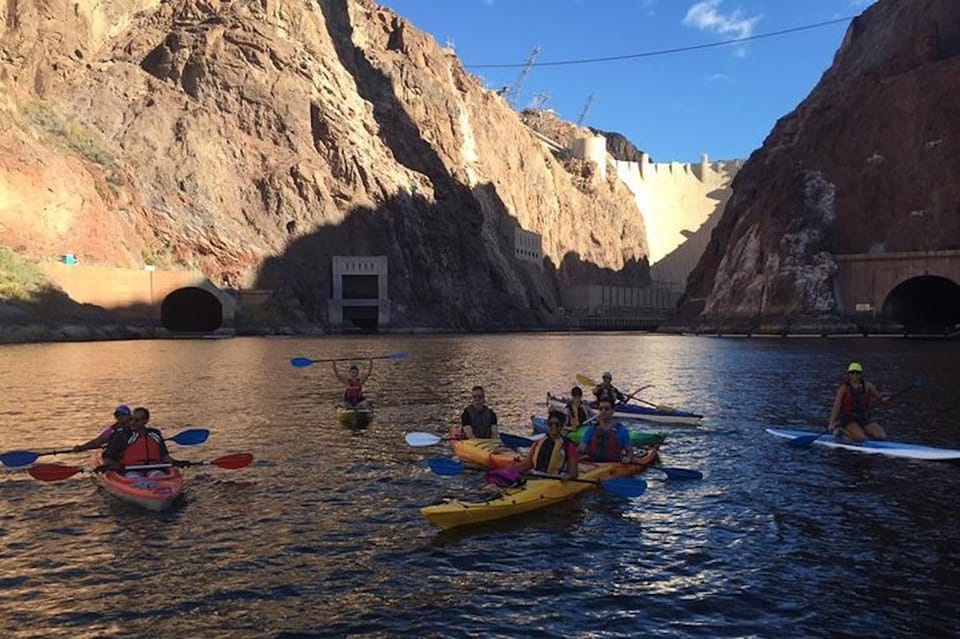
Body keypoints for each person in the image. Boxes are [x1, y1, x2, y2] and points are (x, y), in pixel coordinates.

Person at [100, 407, 177, 477]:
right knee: (134, 477)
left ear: (145, 421)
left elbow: (164, 456)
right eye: (131, 419)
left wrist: (176, 462)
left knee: (159, 475)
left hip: (154, 468)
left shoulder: (155, 434)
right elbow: (109, 459)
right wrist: (113, 466)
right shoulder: (121, 436)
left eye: (137, 420)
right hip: (129, 471)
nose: (132, 422)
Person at [828, 362, 889, 442]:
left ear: (860, 374)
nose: (855, 375)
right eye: (852, 373)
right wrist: (831, 423)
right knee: (861, 439)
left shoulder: (868, 385)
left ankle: (860, 431)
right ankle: (841, 430)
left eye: (857, 373)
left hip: (863, 417)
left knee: (882, 437)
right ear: (849, 374)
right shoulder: (844, 388)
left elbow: (879, 397)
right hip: (848, 418)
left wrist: (883, 400)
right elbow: (836, 406)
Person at [518, 410, 579, 479]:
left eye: (557, 424)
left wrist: (567, 477)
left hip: (554, 479)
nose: (554, 427)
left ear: (562, 426)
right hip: (536, 476)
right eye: (551, 424)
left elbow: (573, 473)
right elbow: (527, 464)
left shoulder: (568, 445)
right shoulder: (538, 442)